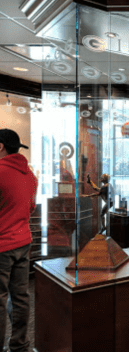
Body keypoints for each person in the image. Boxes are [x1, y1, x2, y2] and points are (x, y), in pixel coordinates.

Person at [0, 129, 37, 352]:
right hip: (23, 242)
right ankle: (20, 345)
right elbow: (30, 208)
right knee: (21, 296)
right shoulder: (30, 175)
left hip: (2, 246)